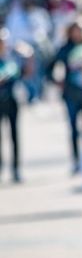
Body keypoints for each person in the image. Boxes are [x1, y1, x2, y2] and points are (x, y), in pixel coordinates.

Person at [47, 17, 82, 174]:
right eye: (76, 30)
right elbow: (50, 67)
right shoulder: (66, 49)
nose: (79, 33)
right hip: (72, 94)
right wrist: (58, 81)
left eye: (81, 30)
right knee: (73, 128)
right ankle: (76, 160)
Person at [0, 28, 26, 183]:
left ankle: (16, 168)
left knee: (14, 135)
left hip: (12, 99)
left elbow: (25, 71)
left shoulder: (13, 57)